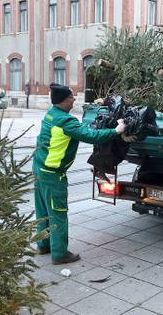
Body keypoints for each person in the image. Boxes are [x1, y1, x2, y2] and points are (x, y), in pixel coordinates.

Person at [33, 83, 127, 265]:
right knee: (58, 213)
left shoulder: (52, 114)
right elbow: (92, 136)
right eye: (71, 97)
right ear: (63, 101)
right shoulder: (66, 121)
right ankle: (60, 254)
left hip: (38, 168)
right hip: (52, 174)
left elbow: (82, 128)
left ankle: (43, 245)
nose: (74, 100)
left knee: (42, 210)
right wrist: (117, 130)